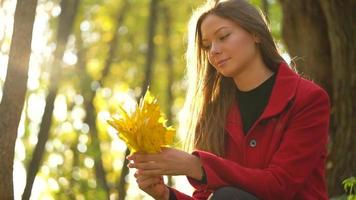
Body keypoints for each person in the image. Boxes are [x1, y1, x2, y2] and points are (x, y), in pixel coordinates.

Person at [127, 0, 330, 199]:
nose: (213, 50)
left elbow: (280, 185)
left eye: (223, 36)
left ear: (256, 33)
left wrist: (196, 166)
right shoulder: (213, 113)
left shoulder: (308, 99)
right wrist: (165, 195)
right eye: (206, 46)